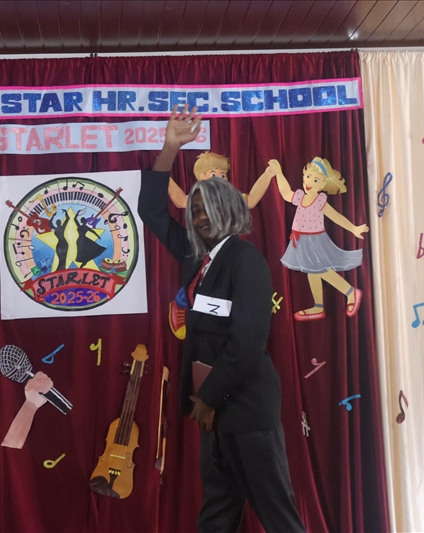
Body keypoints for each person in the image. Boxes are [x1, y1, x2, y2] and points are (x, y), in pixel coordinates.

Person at [139, 106, 304, 533]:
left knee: (278, 518)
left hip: (244, 408)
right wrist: (170, 148)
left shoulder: (245, 260)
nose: (198, 216)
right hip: (212, 412)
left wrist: (208, 398)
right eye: (193, 209)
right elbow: (151, 211)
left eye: (207, 207)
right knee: (216, 516)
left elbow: (247, 341)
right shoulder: (195, 257)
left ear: (230, 209)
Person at [167, 152, 277, 340]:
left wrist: (267, 175)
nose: (219, 178)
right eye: (213, 174)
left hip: (228, 250)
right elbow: (179, 200)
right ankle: (181, 303)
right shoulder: (196, 199)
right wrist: (163, 175)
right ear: (200, 178)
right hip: (203, 250)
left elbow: (251, 199)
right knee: (198, 278)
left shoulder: (233, 198)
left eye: (223, 174)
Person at [269, 158, 368, 321]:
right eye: (308, 176)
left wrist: (353, 228)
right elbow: (285, 193)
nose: (309, 182)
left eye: (315, 180)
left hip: (315, 241)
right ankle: (318, 306)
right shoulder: (300, 197)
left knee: (322, 271)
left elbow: (336, 217)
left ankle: (350, 292)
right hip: (301, 241)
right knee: (312, 272)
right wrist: (278, 173)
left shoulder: (319, 201)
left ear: (323, 184)